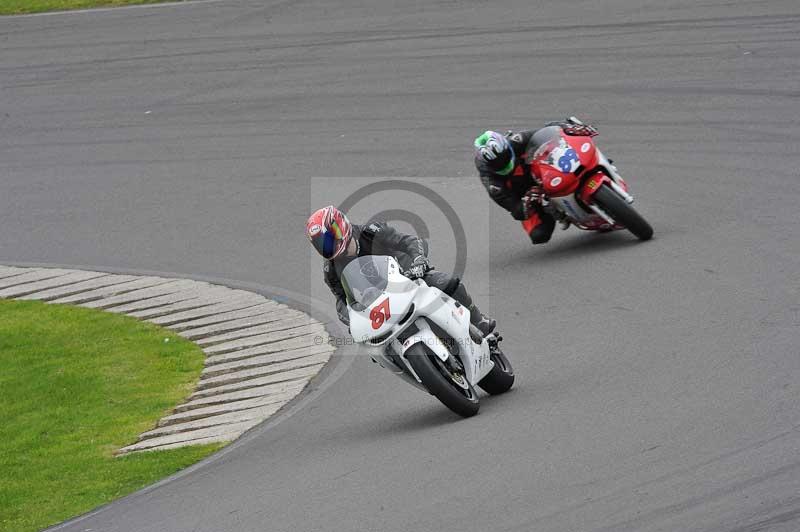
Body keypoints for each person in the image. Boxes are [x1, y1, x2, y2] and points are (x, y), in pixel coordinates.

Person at [306, 205, 496, 336]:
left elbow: (410, 242)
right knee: (371, 345)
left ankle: (478, 320)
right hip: (379, 305)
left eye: (331, 237)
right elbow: (341, 301)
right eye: (322, 243)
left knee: (445, 282)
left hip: (408, 277)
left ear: (341, 224)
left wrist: (418, 261)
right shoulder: (331, 270)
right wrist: (352, 320)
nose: (329, 245)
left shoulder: (371, 232)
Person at [473, 117, 597, 244]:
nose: (503, 165)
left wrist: (569, 128)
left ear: (506, 146)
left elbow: (549, 131)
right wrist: (527, 201)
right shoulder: (491, 182)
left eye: (504, 158)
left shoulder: (516, 140)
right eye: (496, 165)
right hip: (526, 193)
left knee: (565, 146)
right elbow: (515, 210)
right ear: (488, 164)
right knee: (539, 235)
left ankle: (593, 168)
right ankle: (557, 212)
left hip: (545, 170)